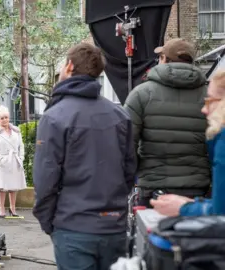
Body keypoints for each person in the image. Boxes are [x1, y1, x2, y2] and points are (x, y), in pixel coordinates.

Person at [32, 42, 136, 270]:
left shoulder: (54, 117)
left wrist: (49, 222)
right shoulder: (120, 116)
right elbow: (130, 172)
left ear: (69, 67)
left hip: (74, 227)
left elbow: (44, 180)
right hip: (113, 226)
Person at [124, 38, 211, 208]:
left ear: (165, 60)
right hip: (197, 192)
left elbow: (125, 145)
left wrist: (137, 173)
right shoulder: (210, 97)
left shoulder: (141, 94)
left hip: (153, 190)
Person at [151, 69, 225, 217]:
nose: (204, 109)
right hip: (200, 185)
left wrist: (184, 208)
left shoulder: (222, 139)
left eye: (210, 100)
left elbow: (220, 214)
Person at [0, 105, 27, 218]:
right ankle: (2, 209)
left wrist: (21, 157)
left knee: (13, 187)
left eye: (6, 117)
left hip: (15, 160)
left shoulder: (16, 130)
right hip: (3, 161)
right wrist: (1, 159)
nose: (5, 120)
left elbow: (21, 145)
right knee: (2, 187)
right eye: (2, 118)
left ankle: (13, 208)